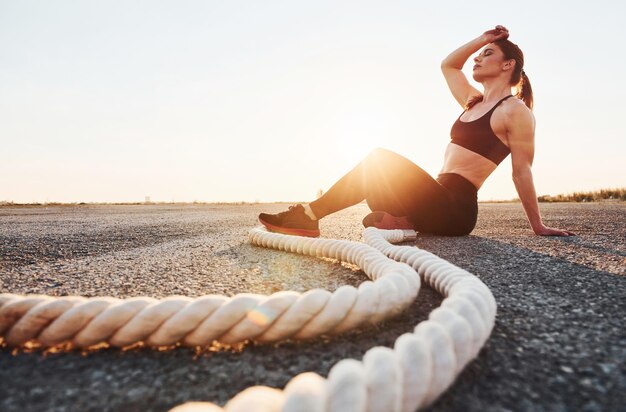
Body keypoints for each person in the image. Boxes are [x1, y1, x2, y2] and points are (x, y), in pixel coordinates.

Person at [259, 25, 575, 238]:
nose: (477, 59)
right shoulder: (472, 101)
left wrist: (539, 226)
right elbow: (449, 66)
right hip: (431, 199)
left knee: (378, 159)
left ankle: (309, 216)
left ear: (509, 65)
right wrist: (482, 39)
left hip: (456, 211)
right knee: (376, 177)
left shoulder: (515, 111)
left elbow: (522, 171)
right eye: (478, 55)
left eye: (488, 54)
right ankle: (403, 220)